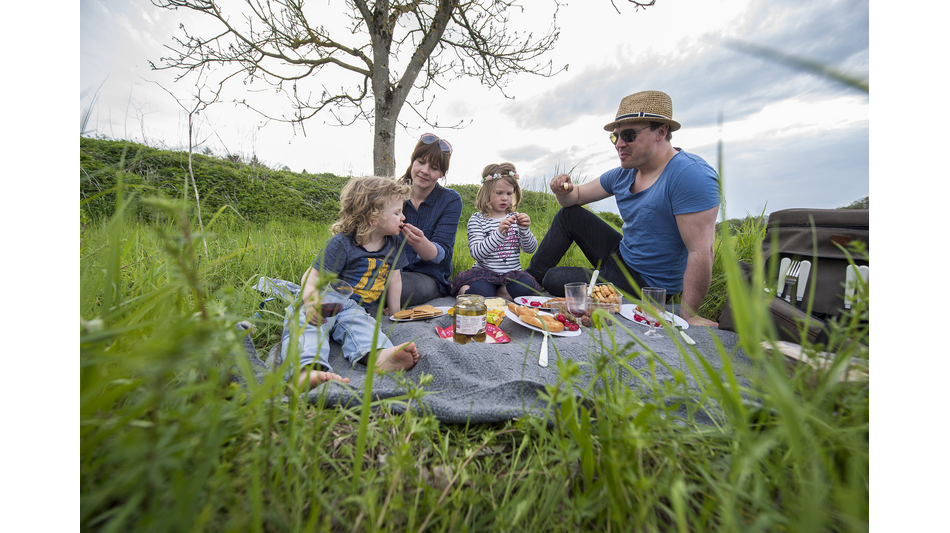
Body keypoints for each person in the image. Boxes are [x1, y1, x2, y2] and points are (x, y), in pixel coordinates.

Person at [525, 90, 721, 327]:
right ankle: (526, 283)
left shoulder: (690, 175)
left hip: (646, 283)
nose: (619, 144)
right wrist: (563, 192)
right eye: (615, 137)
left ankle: (550, 282)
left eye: (628, 135)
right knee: (570, 215)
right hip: (622, 255)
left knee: (555, 279)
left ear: (661, 131)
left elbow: (701, 251)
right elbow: (575, 197)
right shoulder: (624, 173)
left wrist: (688, 315)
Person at [279, 176, 420, 390]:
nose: (403, 216)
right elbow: (312, 276)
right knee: (305, 325)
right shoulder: (343, 243)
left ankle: (380, 357)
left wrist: (395, 311)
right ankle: (304, 369)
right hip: (325, 299)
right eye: (397, 212)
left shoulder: (394, 243)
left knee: (364, 328)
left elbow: (395, 278)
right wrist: (309, 302)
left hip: (354, 309)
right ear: (373, 217)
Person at [451, 163, 542, 300]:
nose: (505, 198)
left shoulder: (515, 217)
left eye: (509, 193)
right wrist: (498, 234)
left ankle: (497, 294)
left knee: (526, 286)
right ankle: (465, 290)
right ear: (487, 193)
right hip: (484, 274)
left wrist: (524, 230)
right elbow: (477, 253)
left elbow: (530, 249)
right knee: (482, 291)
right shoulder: (478, 220)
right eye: (499, 193)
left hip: (512, 274)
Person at [397, 133, 463, 306]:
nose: (425, 171)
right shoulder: (392, 194)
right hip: (390, 270)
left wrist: (420, 242)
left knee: (391, 287)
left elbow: (440, 254)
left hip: (428, 276)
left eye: (434, 168)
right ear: (412, 161)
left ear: (442, 173)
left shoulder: (451, 200)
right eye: (421, 161)